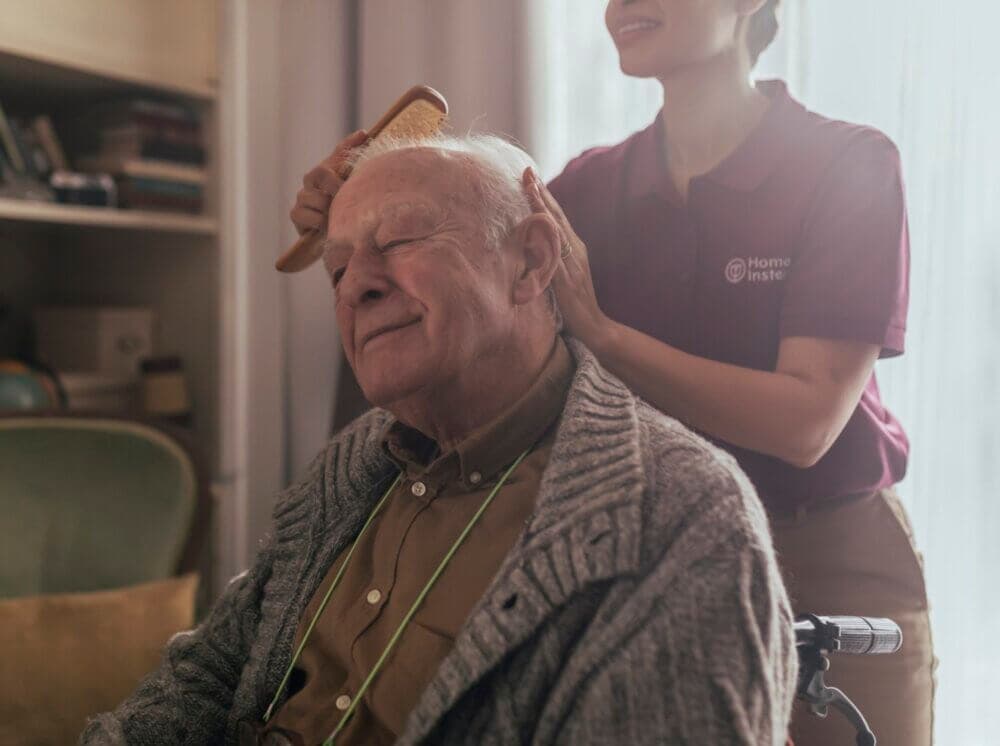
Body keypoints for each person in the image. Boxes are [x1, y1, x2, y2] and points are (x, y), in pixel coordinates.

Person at [288, 3, 933, 745]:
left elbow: (807, 423)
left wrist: (606, 337)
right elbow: (479, 328)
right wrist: (369, 228)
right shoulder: (583, 191)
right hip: (656, 545)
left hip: (828, 549)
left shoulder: (847, 164)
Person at [83, 135, 796, 745]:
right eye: (336, 269)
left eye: (398, 240)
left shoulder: (679, 515)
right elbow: (211, 674)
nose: (355, 286)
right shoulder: (352, 465)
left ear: (531, 262)